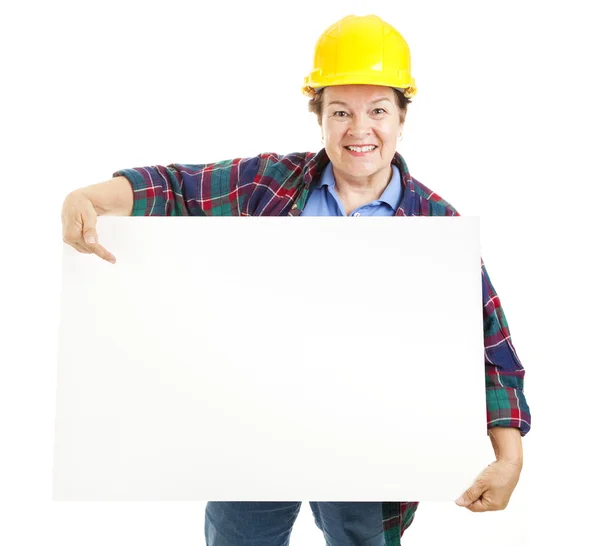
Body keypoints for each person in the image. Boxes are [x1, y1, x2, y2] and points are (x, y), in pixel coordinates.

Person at [61, 14, 531, 546]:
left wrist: (508, 455)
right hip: (255, 433)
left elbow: (490, 347)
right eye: (340, 111)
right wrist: (92, 198)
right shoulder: (270, 185)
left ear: (402, 116)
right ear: (320, 116)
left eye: (378, 110)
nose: (360, 129)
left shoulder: (438, 227)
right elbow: (176, 188)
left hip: (372, 445)